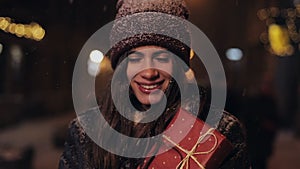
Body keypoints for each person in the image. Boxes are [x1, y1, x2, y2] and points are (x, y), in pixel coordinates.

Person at [58, 0, 250, 168]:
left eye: (161, 58)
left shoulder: (216, 134)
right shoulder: (87, 133)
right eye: (135, 59)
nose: (149, 72)